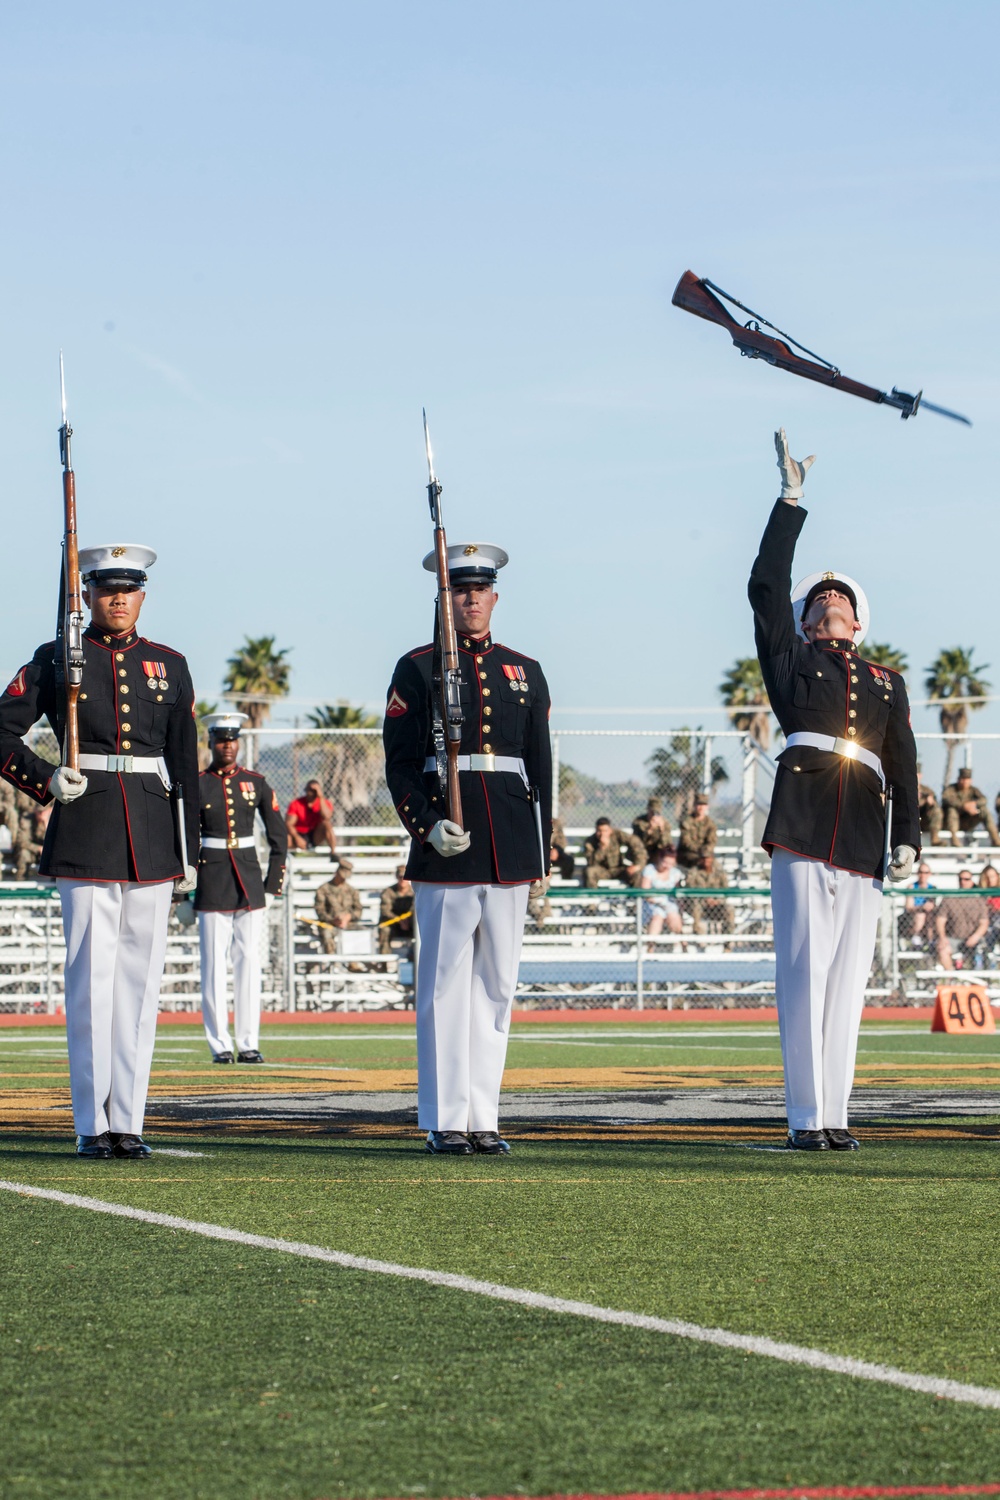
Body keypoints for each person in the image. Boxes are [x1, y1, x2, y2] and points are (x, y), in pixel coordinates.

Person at [748, 430, 919, 1152]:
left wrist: (909, 837)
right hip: (804, 818)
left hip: (862, 832)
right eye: (816, 603)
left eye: (837, 600)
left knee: (849, 980)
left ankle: (835, 1115)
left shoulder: (887, 681)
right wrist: (790, 502)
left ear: (858, 616)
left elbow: (904, 763)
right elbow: (763, 586)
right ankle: (803, 1117)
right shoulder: (791, 664)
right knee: (803, 969)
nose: (828, 607)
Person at [0, 543, 199, 1159]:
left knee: (139, 984)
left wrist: (187, 850)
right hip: (85, 823)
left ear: (143, 595)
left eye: (129, 588)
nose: (118, 598)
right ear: (85, 594)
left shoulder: (168, 663)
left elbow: (185, 764)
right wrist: (46, 777)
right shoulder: (58, 656)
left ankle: (129, 1120)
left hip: (152, 831)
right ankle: (92, 1122)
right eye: (106, 588)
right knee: (92, 978)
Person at [383, 539, 551, 1156]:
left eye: (480, 588)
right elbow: (399, 765)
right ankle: (444, 1116)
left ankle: (485, 1115)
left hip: (509, 842)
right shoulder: (417, 667)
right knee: (445, 986)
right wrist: (425, 824)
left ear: (495, 597)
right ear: (444, 597)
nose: (471, 597)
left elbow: (542, 768)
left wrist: (541, 854)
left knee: (498, 987)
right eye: (460, 587)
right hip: (446, 848)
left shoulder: (523, 670)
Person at [194, 713, 287, 1064]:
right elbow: (187, 837)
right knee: (214, 966)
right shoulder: (198, 783)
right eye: (221, 740)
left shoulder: (257, 782)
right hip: (211, 878)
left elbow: (278, 835)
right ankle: (219, 1043)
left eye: (232, 740)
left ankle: (248, 1041)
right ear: (211, 743)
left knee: (249, 963)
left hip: (249, 880)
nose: (227, 746)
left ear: (239, 743)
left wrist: (273, 882)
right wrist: (185, 886)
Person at [935, 870, 989, 970]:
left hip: (973, 939)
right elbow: (940, 920)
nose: (963, 882)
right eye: (961, 879)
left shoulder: (979, 900)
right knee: (942, 948)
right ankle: (952, 977)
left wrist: (975, 937)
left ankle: (977, 980)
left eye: (966, 879)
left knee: (981, 950)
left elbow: (984, 923)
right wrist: (942, 937)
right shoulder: (949, 899)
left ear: (972, 881)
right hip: (954, 938)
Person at [942, 767, 1000, 848]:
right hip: (951, 822)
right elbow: (946, 799)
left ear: (970, 781)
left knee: (984, 810)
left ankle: (995, 840)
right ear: (958, 779)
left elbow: (984, 800)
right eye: (962, 779)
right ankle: (954, 840)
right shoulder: (951, 789)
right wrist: (963, 806)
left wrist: (974, 804)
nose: (964, 782)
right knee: (951, 810)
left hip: (968, 821)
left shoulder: (973, 790)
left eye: (967, 779)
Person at [314, 859, 362, 953]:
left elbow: (358, 910)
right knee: (326, 933)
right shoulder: (323, 889)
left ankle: (355, 962)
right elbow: (319, 909)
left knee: (362, 932)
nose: (343, 879)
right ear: (337, 873)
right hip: (329, 923)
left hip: (348, 923)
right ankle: (333, 962)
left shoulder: (351, 890)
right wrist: (333, 920)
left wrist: (348, 917)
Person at [682, 853, 735, 936]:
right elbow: (689, 888)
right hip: (700, 905)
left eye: (708, 858)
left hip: (716, 905)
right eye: (704, 858)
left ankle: (727, 941)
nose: (706, 861)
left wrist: (717, 900)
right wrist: (705, 899)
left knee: (729, 910)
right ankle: (698, 934)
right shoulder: (694, 872)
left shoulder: (719, 872)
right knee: (696, 906)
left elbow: (726, 890)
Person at [583, 818, 644, 888]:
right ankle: (592, 897)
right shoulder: (590, 842)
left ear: (610, 830)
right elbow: (591, 863)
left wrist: (638, 865)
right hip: (602, 870)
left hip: (618, 869)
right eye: (599, 831)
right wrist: (602, 848)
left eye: (605, 831)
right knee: (589, 872)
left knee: (636, 873)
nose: (602, 834)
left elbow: (635, 843)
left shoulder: (617, 834)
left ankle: (634, 897)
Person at [641, 844, 683, 941]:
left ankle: (683, 945)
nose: (667, 866)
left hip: (669, 904)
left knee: (674, 916)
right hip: (651, 904)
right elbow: (645, 892)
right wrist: (659, 902)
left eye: (671, 864)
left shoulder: (676, 873)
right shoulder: (649, 870)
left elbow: (678, 893)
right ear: (659, 858)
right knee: (658, 916)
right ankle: (650, 948)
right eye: (665, 862)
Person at [286, 779, 336, 856]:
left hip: (315, 835)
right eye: (310, 790)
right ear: (305, 790)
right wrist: (297, 837)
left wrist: (321, 797)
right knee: (284, 838)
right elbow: (289, 824)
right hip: (298, 834)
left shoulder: (324, 803)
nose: (312, 792)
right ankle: (281, 862)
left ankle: (333, 854)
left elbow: (327, 817)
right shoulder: (296, 803)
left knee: (327, 824)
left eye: (315, 790)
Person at [378, 864, 414, 954]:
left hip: (410, 924)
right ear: (397, 877)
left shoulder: (414, 892)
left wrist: (407, 921)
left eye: (405, 877)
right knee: (384, 930)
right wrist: (399, 920)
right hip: (393, 924)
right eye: (400, 877)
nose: (403, 880)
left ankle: (414, 959)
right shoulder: (388, 892)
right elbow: (385, 911)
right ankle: (384, 963)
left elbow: (415, 910)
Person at [677, 793, 717, 871]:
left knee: (714, 865)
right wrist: (699, 850)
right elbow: (686, 842)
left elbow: (711, 842)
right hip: (688, 854)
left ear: (707, 807)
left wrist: (705, 851)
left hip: (705, 853)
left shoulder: (710, 824)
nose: (701, 808)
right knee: (698, 862)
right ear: (694, 806)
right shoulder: (687, 822)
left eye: (704, 805)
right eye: (699, 804)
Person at [902, 862, 937, 947]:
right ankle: (916, 937)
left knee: (930, 916)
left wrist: (927, 907)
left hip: (928, 916)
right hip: (913, 916)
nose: (923, 875)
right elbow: (909, 907)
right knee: (920, 915)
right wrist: (921, 907)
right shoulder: (911, 887)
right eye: (920, 872)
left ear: (930, 874)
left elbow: (932, 905)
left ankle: (930, 941)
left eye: (926, 872)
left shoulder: (932, 888)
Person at [632, 797, 672, 862]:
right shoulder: (639, 822)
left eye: (657, 813)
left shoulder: (665, 824)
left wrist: (662, 829)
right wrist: (649, 830)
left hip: (657, 853)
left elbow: (667, 844)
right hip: (643, 852)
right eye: (652, 812)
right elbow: (639, 843)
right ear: (648, 810)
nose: (654, 815)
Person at [917, 772, 943, 847]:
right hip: (910, 820)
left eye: (917, 774)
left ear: (920, 775)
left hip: (924, 820)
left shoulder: (927, 790)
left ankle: (935, 838)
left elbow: (935, 803)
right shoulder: (905, 789)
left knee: (936, 810)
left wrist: (931, 803)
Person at [979, 864, 1000, 955]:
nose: (990, 880)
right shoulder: (981, 894)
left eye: (992, 877)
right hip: (984, 923)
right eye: (987, 877)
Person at [549, 815, 575, 881]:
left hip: (553, 854)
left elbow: (561, 840)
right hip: (539, 855)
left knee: (568, 860)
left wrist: (557, 850)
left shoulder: (555, 822)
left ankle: (566, 884)